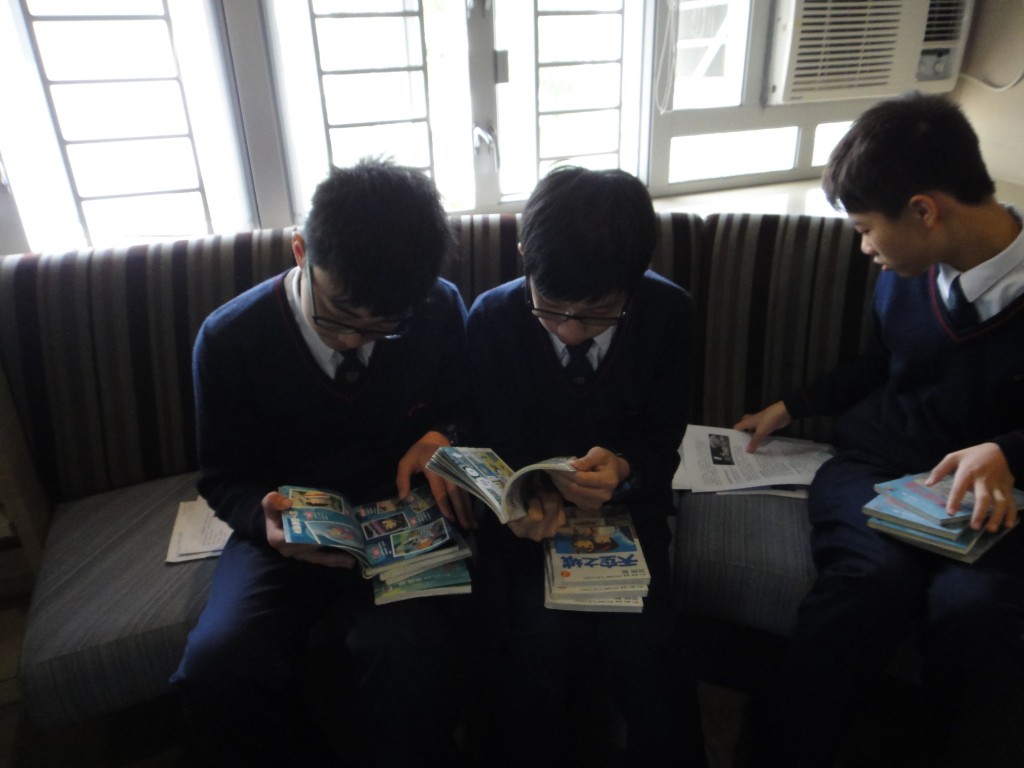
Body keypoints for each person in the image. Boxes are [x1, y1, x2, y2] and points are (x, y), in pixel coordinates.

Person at [735, 92, 1024, 767]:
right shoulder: (909, 271)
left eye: (866, 229)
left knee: (973, 612)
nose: (864, 247)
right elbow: (883, 362)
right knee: (871, 579)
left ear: (925, 210)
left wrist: (1008, 450)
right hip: (878, 462)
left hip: (996, 500)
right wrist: (794, 404)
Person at [171, 158, 475, 768]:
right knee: (217, 666)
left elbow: (465, 404)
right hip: (285, 534)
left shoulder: (437, 308)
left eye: (383, 327)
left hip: (401, 526)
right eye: (337, 315)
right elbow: (224, 476)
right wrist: (263, 521)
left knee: (411, 655)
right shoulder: (229, 339)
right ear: (299, 250)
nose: (353, 340)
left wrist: (443, 434)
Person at [466, 166, 707, 767]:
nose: (571, 331)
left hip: (628, 513)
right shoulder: (492, 319)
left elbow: (663, 441)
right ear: (523, 256)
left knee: (649, 649)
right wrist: (516, 501)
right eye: (550, 308)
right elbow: (478, 446)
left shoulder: (669, 314)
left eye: (598, 313)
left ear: (637, 277)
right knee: (534, 643)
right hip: (526, 527)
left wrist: (625, 468)